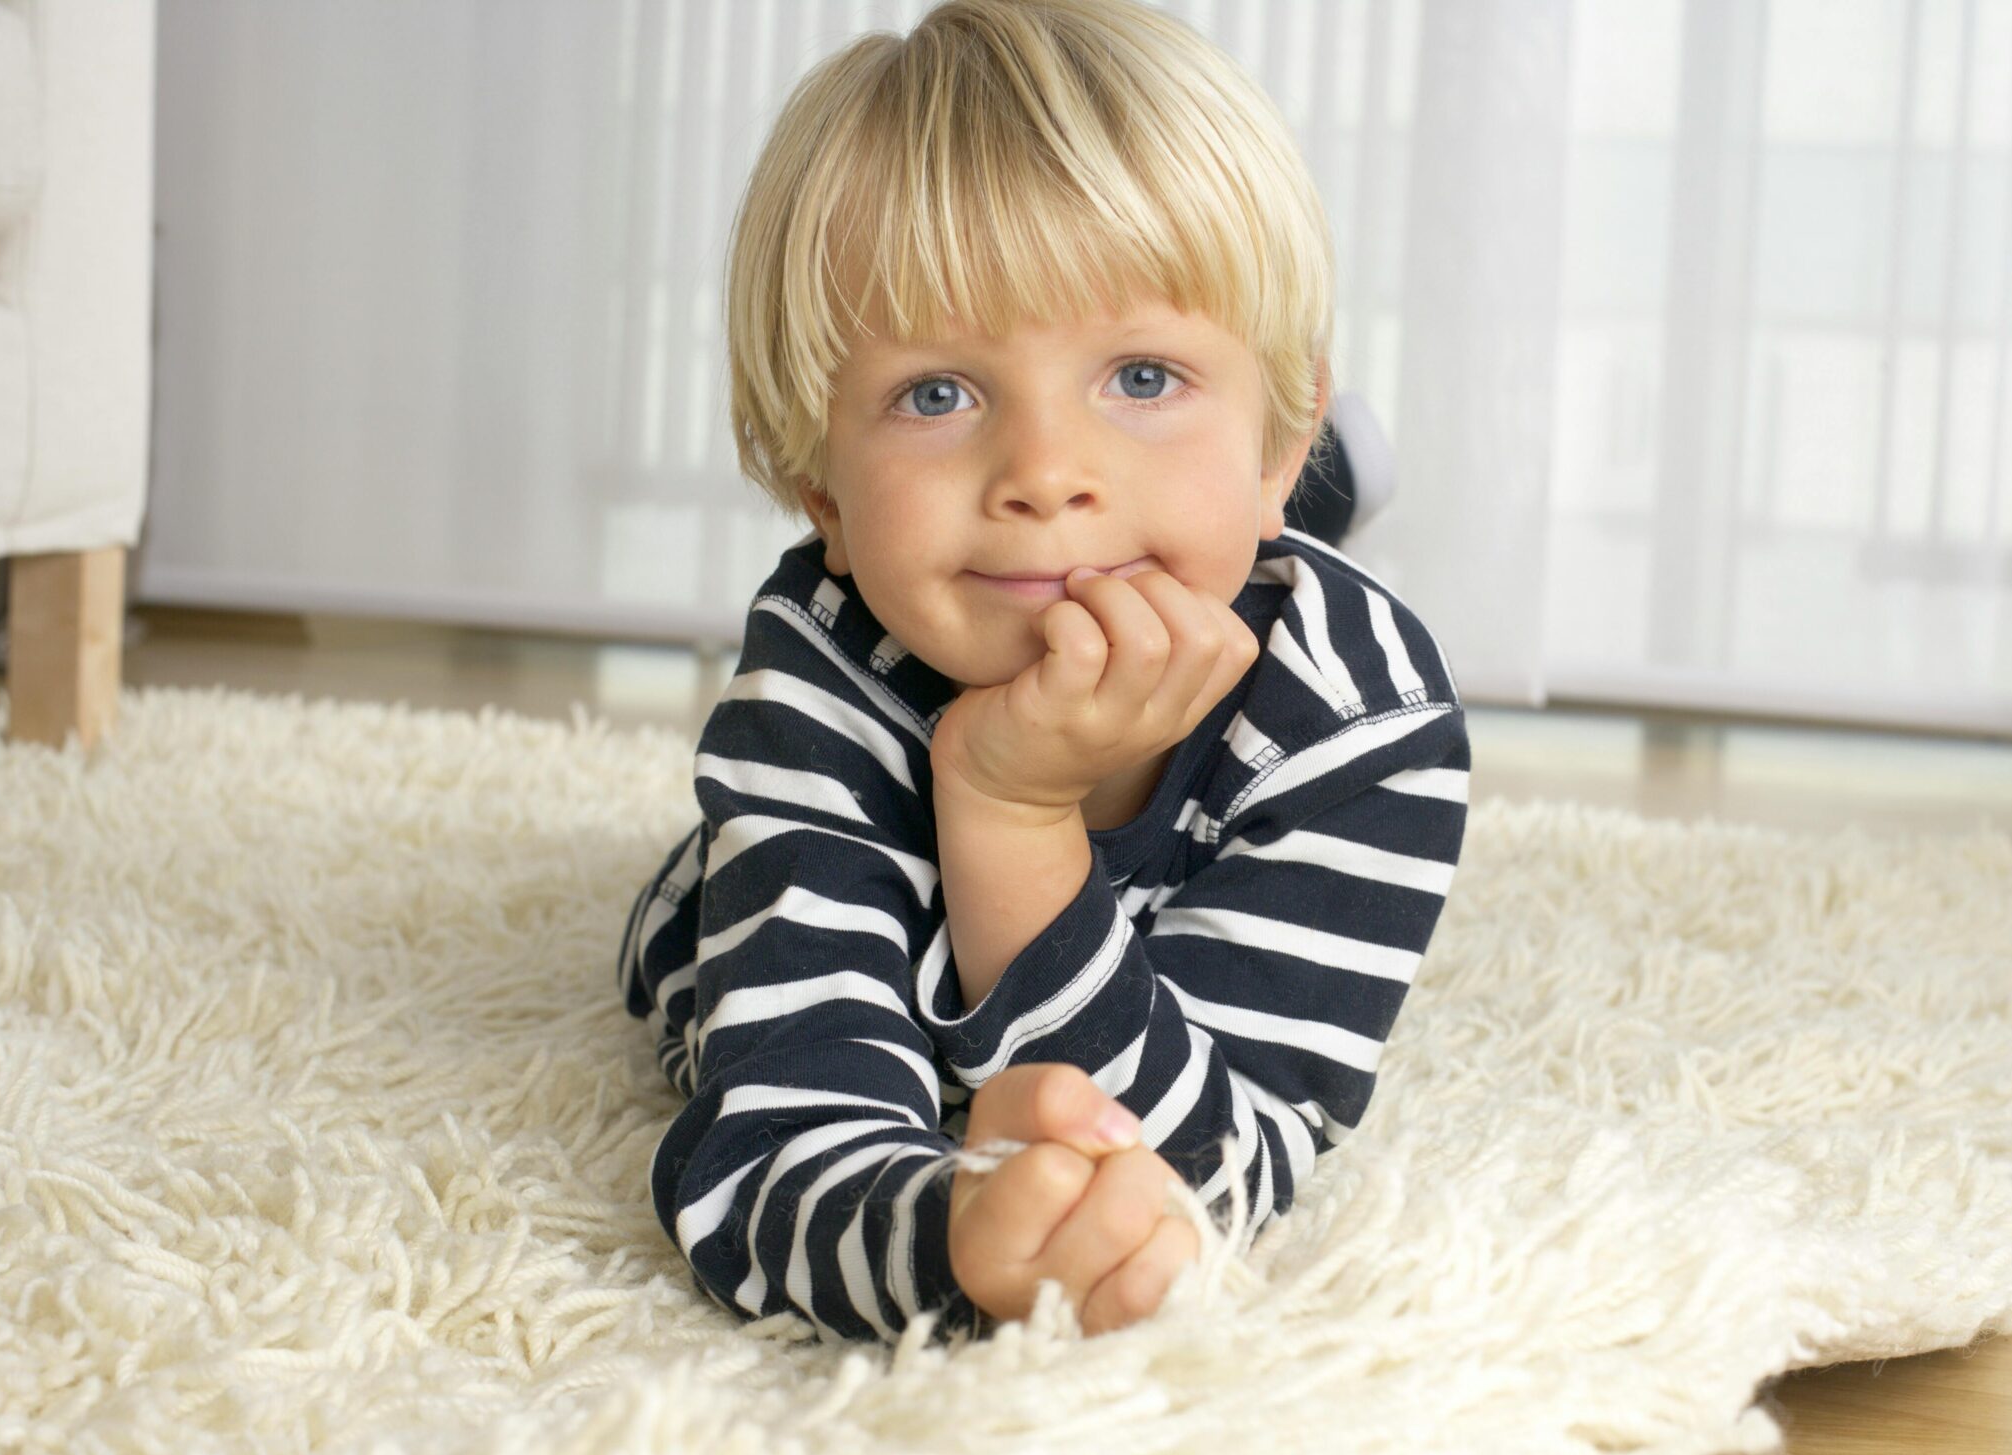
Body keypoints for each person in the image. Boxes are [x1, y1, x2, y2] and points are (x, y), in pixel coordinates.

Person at [617, 0, 1467, 1350]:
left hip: (1257, 511)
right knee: (686, 942)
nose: (1044, 473)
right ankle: (1256, 470)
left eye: (1142, 375)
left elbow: (1225, 1167)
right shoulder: (822, 679)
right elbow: (767, 1156)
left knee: (1213, 528)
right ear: (821, 492)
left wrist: (1014, 821)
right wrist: (950, 1239)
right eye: (937, 394)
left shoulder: (1363, 718)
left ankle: (1307, 487)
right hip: (797, 863)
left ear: (1275, 427)